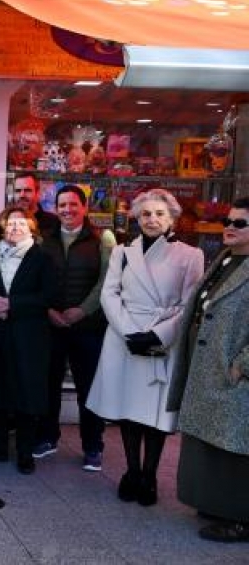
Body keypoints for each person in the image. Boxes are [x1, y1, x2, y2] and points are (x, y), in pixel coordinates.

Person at [87, 189, 203, 507]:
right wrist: (128, 332)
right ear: (137, 218)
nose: (152, 219)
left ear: (172, 218)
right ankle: (131, 470)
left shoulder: (190, 255)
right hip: (124, 336)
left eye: (159, 214)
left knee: (153, 414)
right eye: (145, 214)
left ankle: (149, 475)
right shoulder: (122, 251)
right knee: (128, 409)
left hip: (163, 339)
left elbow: (189, 303)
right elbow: (108, 295)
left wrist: (157, 335)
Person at [168, 197, 249, 542]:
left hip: (234, 372)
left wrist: (243, 364)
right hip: (208, 366)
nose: (229, 227)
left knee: (234, 447)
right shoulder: (227, 259)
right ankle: (213, 502)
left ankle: (240, 518)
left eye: (240, 223)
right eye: (229, 221)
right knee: (209, 442)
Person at [33, 185, 115, 472]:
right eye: (62, 205)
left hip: (87, 327)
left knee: (88, 388)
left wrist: (83, 310)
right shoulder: (46, 240)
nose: (67, 210)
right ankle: (47, 437)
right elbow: (36, 279)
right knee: (49, 385)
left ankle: (93, 446)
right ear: (56, 208)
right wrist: (49, 310)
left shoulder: (101, 239)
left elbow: (107, 282)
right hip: (51, 325)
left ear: (84, 207)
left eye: (73, 204)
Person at [0, 206, 56, 475]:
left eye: (21, 223)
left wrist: (13, 304)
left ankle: (25, 452)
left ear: (31, 228)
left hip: (29, 338)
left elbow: (50, 296)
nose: (15, 228)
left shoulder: (42, 259)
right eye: (10, 224)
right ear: (1, 229)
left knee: (26, 396)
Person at [12, 172, 60, 237]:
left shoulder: (54, 223)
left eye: (27, 190)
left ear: (38, 193)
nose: (22, 195)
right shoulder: (4, 221)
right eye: (18, 191)